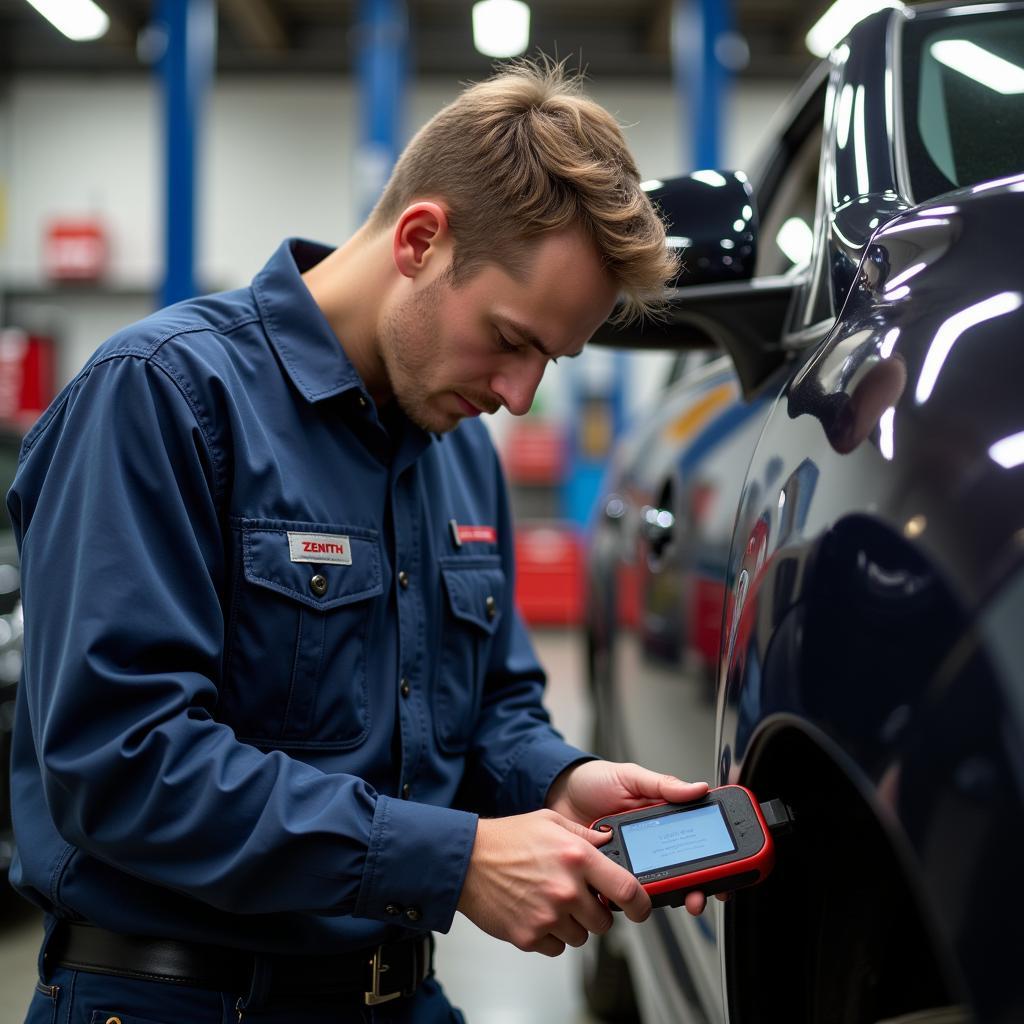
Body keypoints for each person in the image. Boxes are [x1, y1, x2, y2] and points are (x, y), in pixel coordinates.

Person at [8, 61, 710, 1024]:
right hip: (184, 999)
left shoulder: (460, 457)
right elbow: (122, 763)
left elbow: (491, 706)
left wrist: (559, 779)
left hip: (400, 994)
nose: (520, 395)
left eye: (550, 358)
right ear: (421, 240)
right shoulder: (165, 395)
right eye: (510, 338)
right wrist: (452, 862)